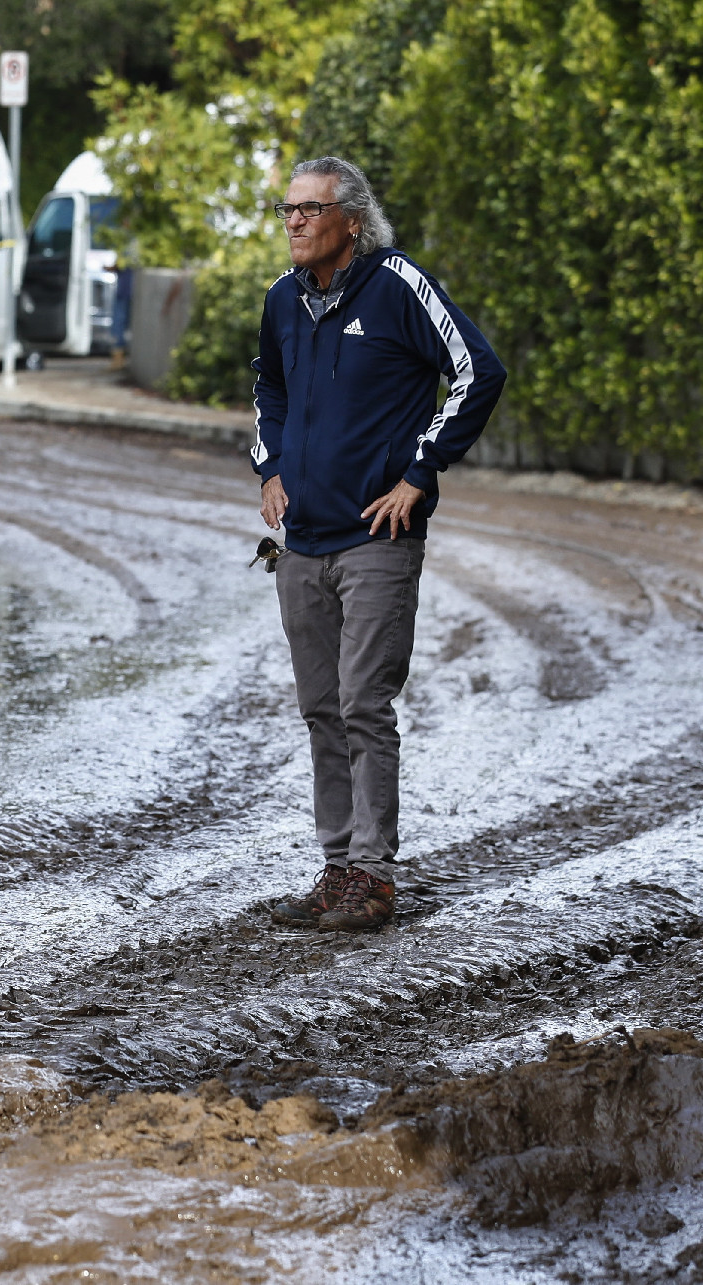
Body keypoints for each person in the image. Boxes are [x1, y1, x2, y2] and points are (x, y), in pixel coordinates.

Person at [253, 158, 506, 934]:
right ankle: (336, 868)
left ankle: (374, 875)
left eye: (309, 209)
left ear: (351, 221)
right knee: (321, 709)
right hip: (302, 542)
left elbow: (478, 372)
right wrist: (268, 467)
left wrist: (420, 474)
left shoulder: (398, 286)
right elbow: (269, 384)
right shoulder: (282, 300)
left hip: (377, 539)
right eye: (287, 208)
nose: (294, 221)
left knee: (364, 704)